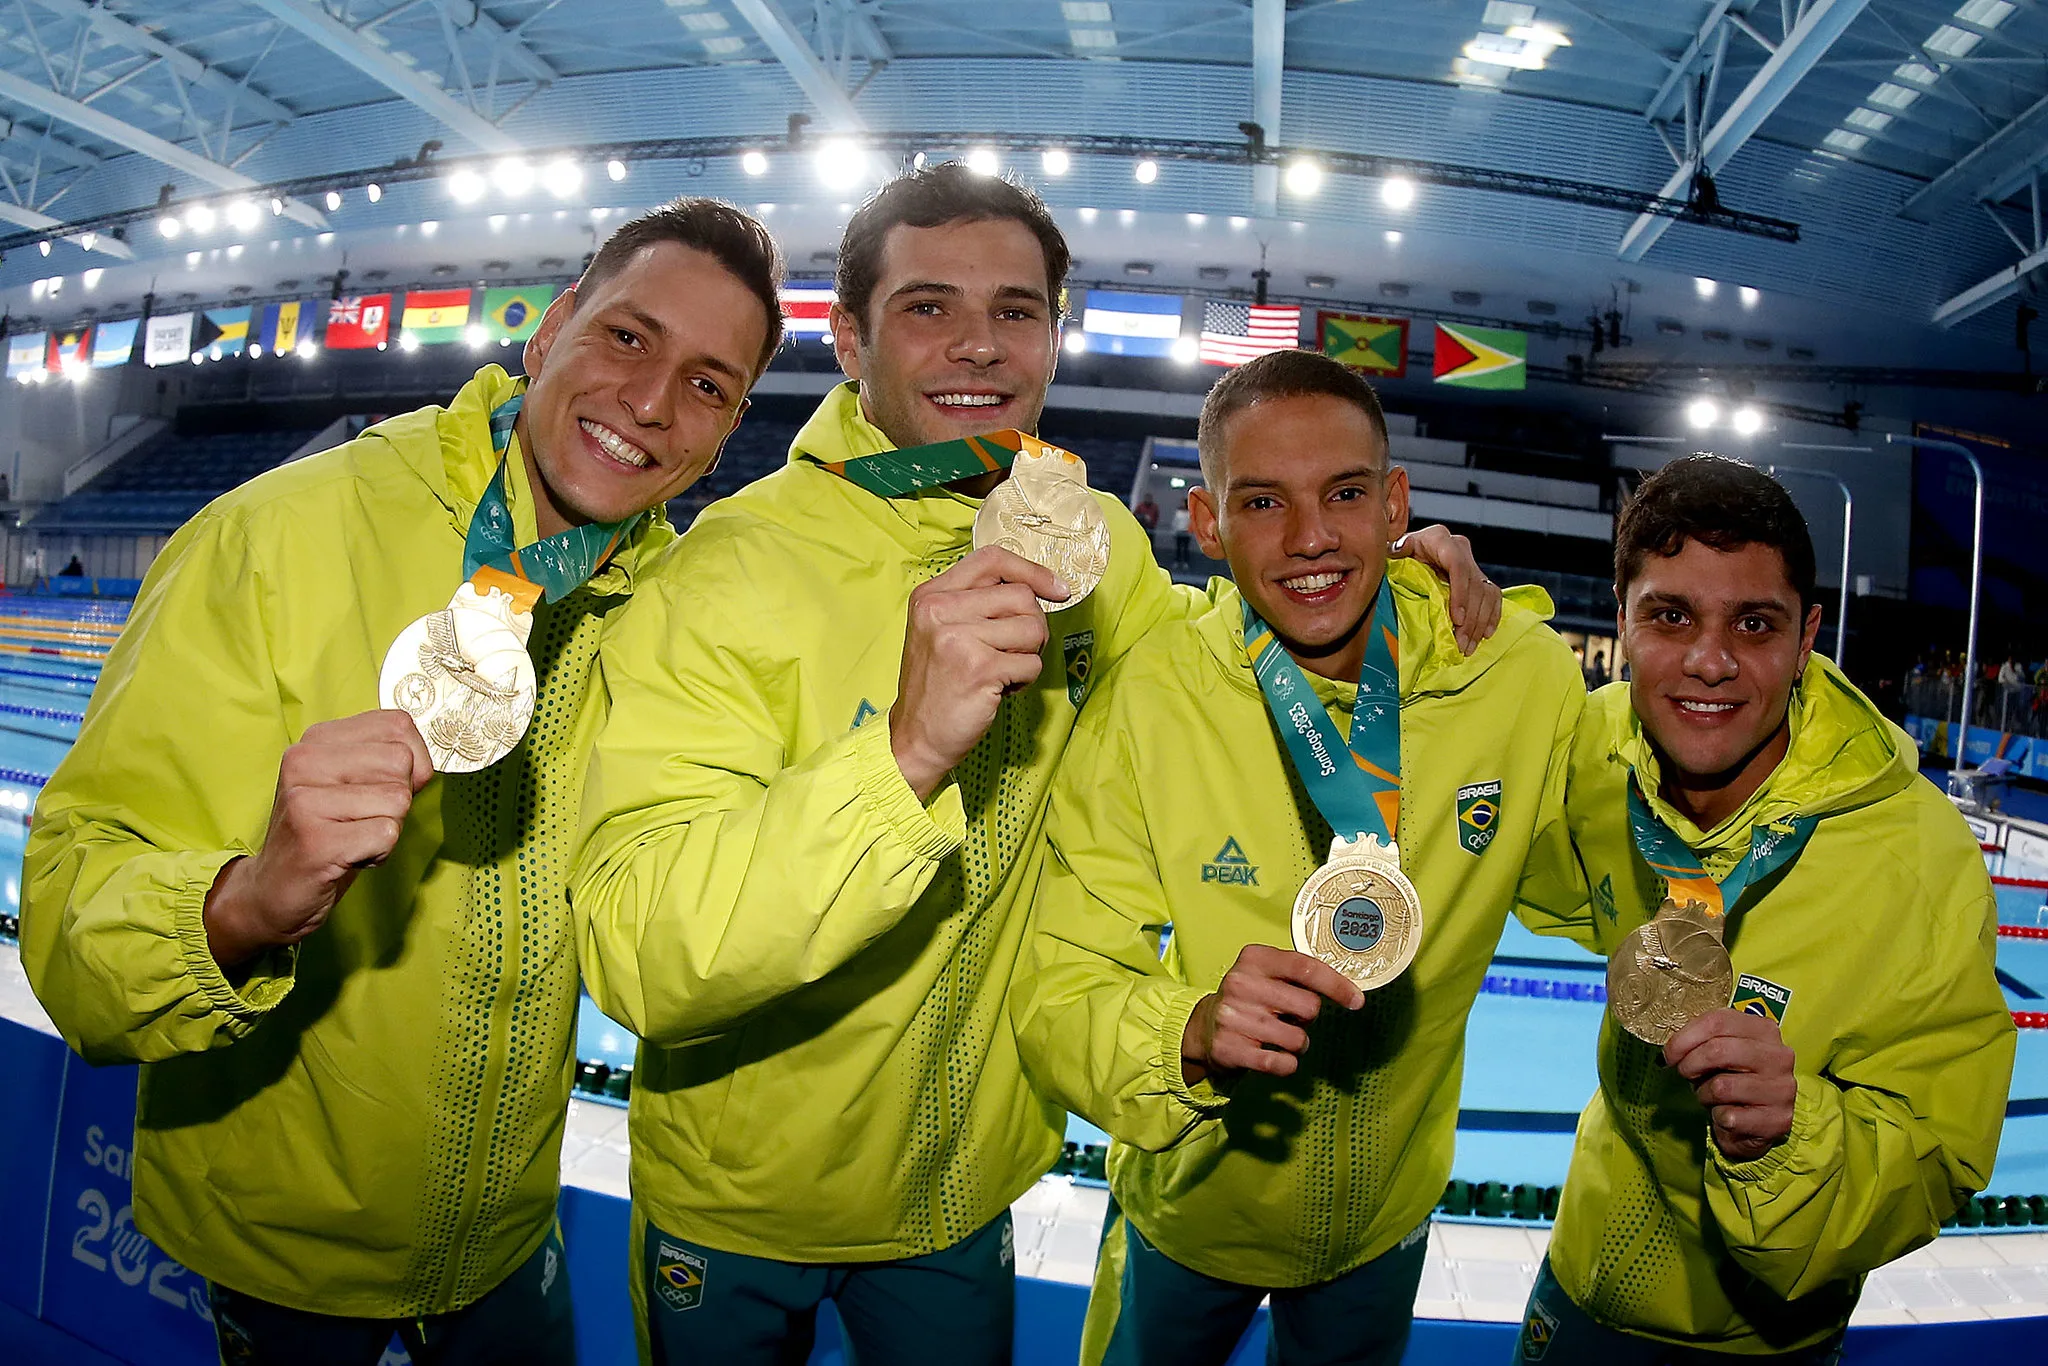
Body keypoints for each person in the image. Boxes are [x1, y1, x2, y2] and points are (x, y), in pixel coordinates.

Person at [568, 163, 1500, 1366]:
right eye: (927, 307)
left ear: (1054, 339)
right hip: (740, 1201)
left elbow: (1230, 672)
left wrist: (1381, 569)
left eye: (1015, 310)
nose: (978, 346)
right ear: (847, 340)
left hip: (963, 1189)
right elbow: (640, 950)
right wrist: (900, 757)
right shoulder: (727, 570)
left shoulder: (1093, 541)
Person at [21, 198, 785, 1365]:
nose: (649, 402)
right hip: (289, 1255)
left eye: (707, 384)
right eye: (627, 338)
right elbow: (72, 914)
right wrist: (243, 901)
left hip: (507, 1241)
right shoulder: (272, 538)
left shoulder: (677, 616)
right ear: (548, 330)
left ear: (725, 433)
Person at [1008, 349, 1584, 1366]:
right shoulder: (1155, 696)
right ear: (1204, 521)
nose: (1311, 537)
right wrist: (1181, 1030)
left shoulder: (1520, 682)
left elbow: (1625, 862)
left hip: (1382, 1220)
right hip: (1188, 1211)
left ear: (1396, 502)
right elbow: (1060, 977)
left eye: (1346, 494)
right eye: (1263, 501)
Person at [1512, 456, 2015, 1363]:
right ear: (1620, 617)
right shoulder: (1597, 753)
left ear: (1807, 635)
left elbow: (1938, 1153)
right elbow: (1466, 821)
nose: (1710, 661)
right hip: (1581, 1282)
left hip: (1763, 1336)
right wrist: (1415, 611)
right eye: (1670, 615)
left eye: (1754, 623)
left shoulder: (1917, 858)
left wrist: (1791, 1134)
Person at [1171, 494, 1193, 569]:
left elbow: (1191, 523)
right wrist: (1174, 531)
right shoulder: (1178, 512)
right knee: (1178, 548)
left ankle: (1185, 562)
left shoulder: (1189, 513)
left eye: (1183, 503)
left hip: (1186, 533)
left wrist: (1190, 531)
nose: (1182, 504)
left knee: (1185, 549)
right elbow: (1175, 522)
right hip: (1179, 532)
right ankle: (1177, 561)